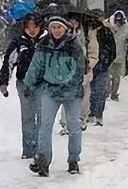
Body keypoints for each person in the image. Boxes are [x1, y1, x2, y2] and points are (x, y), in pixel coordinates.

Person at [24, 15, 85, 177]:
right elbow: (36, 66)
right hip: (50, 90)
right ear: (49, 29)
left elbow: (78, 70)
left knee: (73, 124)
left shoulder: (74, 46)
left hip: (71, 92)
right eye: (53, 27)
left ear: (65, 29)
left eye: (59, 27)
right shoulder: (44, 46)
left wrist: (68, 83)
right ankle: (43, 160)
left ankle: (73, 159)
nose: (56, 30)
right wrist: (29, 84)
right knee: (45, 125)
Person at [0, 12, 45, 159]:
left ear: (40, 26)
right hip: (24, 83)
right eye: (28, 26)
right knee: (28, 117)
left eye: (35, 26)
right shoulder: (19, 42)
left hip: (44, 83)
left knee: (43, 117)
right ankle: (28, 150)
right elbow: (9, 61)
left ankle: (41, 149)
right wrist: (4, 81)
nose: (32, 29)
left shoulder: (47, 40)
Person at [90, 11, 116, 125]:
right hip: (90, 67)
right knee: (90, 91)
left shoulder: (106, 32)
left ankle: (98, 115)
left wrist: (105, 63)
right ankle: (90, 113)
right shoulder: (89, 31)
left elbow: (113, 51)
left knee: (100, 91)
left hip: (102, 67)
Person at [108, 11, 128, 101]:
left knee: (116, 77)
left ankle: (113, 94)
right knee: (106, 76)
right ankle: (106, 93)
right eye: (117, 21)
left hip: (118, 56)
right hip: (108, 56)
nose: (118, 23)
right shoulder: (109, 26)